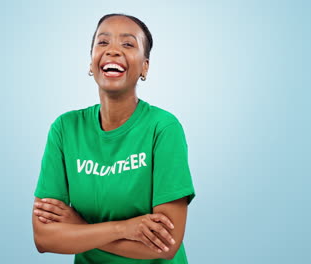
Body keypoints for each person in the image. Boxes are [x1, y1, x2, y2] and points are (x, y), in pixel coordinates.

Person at [32, 13, 196, 263]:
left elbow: (165, 245)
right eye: (103, 42)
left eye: (128, 44)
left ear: (145, 67)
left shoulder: (163, 128)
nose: (113, 51)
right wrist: (123, 229)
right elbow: (44, 238)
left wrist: (79, 227)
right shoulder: (65, 129)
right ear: (90, 63)